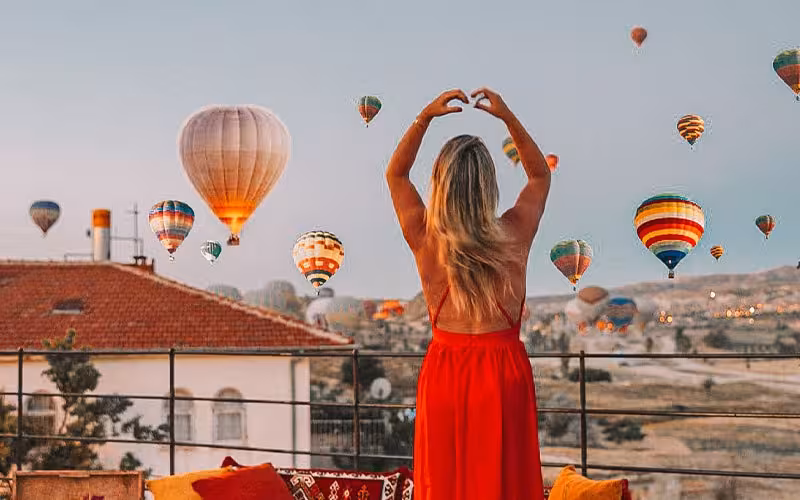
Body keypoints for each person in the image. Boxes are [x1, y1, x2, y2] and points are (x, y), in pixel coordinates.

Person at [386, 88, 551, 500]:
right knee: (504, 482)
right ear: (489, 185)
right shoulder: (514, 233)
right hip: (503, 372)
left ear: (440, 182)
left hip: (446, 372)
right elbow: (539, 176)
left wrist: (424, 116)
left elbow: (396, 174)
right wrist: (508, 117)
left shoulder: (425, 237)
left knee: (445, 483)